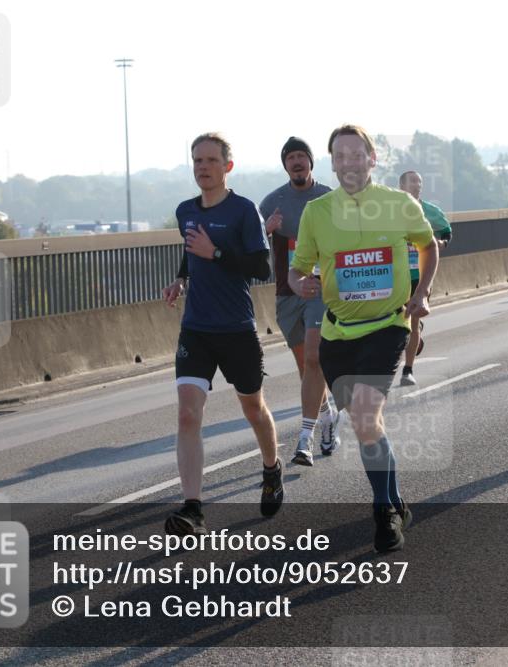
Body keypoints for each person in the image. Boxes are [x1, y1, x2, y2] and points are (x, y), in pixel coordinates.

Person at [289, 124, 438, 552]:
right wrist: (300, 283)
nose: (350, 162)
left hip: (388, 326)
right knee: (363, 423)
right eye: (342, 155)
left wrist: (421, 293)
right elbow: (298, 268)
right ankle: (394, 500)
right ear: (332, 163)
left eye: (359, 155)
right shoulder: (316, 212)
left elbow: (428, 246)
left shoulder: (399, 204)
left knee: (367, 416)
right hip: (338, 332)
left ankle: (384, 513)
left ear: (373, 160)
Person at [161, 133, 282, 536]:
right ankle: (193, 508)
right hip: (196, 329)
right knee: (187, 412)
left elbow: (261, 267)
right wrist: (181, 277)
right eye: (196, 160)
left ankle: (271, 466)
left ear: (227, 166)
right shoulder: (184, 210)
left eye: (211, 160)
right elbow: (190, 247)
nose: (202, 167)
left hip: (236, 330)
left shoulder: (244, 211)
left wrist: (215, 253)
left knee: (253, 408)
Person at [259, 137, 341, 466]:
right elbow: (249, 245)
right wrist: (267, 229)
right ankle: (327, 414)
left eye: (301, 157)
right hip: (286, 292)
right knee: (305, 366)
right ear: (285, 165)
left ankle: (304, 439)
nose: (296, 162)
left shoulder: (328, 199)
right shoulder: (271, 202)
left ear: (311, 163)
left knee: (314, 356)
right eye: (290, 157)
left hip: (319, 289)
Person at [397, 170, 453, 386]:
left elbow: (446, 230)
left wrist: (443, 243)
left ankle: (408, 370)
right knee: (396, 324)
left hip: (420, 276)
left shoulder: (430, 210)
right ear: (401, 186)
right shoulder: (388, 211)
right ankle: (413, 335)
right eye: (412, 182)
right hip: (396, 275)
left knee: (413, 320)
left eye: (419, 182)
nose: (417, 185)